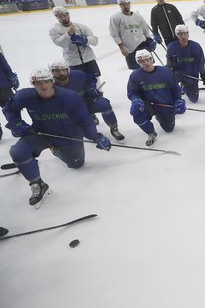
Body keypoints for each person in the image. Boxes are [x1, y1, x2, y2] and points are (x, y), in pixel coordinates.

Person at [3, 68, 111, 208]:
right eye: (38, 83)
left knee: (77, 165)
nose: (43, 86)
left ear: (52, 81)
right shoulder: (24, 96)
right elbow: (9, 109)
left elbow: (84, 119)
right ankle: (38, 184)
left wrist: (96, 136)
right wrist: (16, 123)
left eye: (46, 81)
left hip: (68, 135)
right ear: (33, 84)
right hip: (40, 134)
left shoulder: (70, 97)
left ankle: (56, 150)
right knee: (18, 152)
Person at [49, 59, 125, 140]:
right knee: (90, 133)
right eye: (57, 71)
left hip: (88, 102)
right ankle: (90, 119)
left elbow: (91, 80)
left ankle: (114, 128)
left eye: (63, 70)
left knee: (103, 104)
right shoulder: (49, 85)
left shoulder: (78, 75)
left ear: (68, 69)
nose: (61, 73)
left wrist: (91, 88)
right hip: (73, 111)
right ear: (51, 72)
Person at [127, 49, 186, 147]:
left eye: (147, 59)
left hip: (165, 104)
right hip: (148, 105)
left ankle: (163, 115)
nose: (146, 63)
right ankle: (151, 132)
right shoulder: (135, 75)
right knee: (138, 115)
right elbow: (132, 92)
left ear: (151, 58)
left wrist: (178, 100)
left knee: (169, 129)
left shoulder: (165, 72)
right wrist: (136, 100)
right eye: (142, 61)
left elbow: (175, 88)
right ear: (138, 62)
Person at [49, 6, 102, 78]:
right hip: (73, 63)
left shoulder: (80, 26)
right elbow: (60, 43)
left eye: (64, 15)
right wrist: (68, 34)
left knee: (96, 82)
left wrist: (85, 40)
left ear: (68, 14)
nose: (63, 18)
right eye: (60, 17)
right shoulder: (54, 29)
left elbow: (95, 40)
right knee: (79, 84)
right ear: (57, 17)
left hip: (89, 60)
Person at [109, 0, 157, 70]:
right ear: (120, 5)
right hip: (129, 48)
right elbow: (114, 34)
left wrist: (150, 40)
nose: (125, 6)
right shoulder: (115, 17)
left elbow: (145, 30)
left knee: (149, 66)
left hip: (142, 44)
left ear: (129, 4)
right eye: (123, 5)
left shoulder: (137, 15)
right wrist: (122, 48)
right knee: (136, 69)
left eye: (127, 4)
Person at [166, 24, 205, 103]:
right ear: (177, 36)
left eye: (185, 34)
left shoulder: (195, 46)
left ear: (188, 34)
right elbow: (169, 63)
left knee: (194, 99)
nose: (183, 36)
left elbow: (201, 62)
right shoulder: (171, 47)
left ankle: (185, 88)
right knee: (167, 89)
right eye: (180, 34)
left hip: (191, 74)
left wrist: (203, 75)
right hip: (177, 74)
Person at [0, 48, 20, 140]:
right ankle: (16, 127)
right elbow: (6, 67)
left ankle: (16, 126)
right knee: (9, 107)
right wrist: (12, 78)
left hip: (3, 86)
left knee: (9, 107)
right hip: (3, 86)